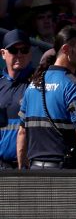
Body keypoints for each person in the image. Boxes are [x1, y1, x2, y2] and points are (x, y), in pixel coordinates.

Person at [17, 25, 76, 170]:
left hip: (35, 172)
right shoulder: (74, 86)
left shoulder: (33, 85)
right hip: (64, 175)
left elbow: (22, 132)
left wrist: (22, 170)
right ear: (66, 50)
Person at [0, 29, 34, 168]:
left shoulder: (38, 83)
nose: (19, 54)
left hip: (30, 166)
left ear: (30, 53)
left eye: (24, 50)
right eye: (14, 50)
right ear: (3, 54)